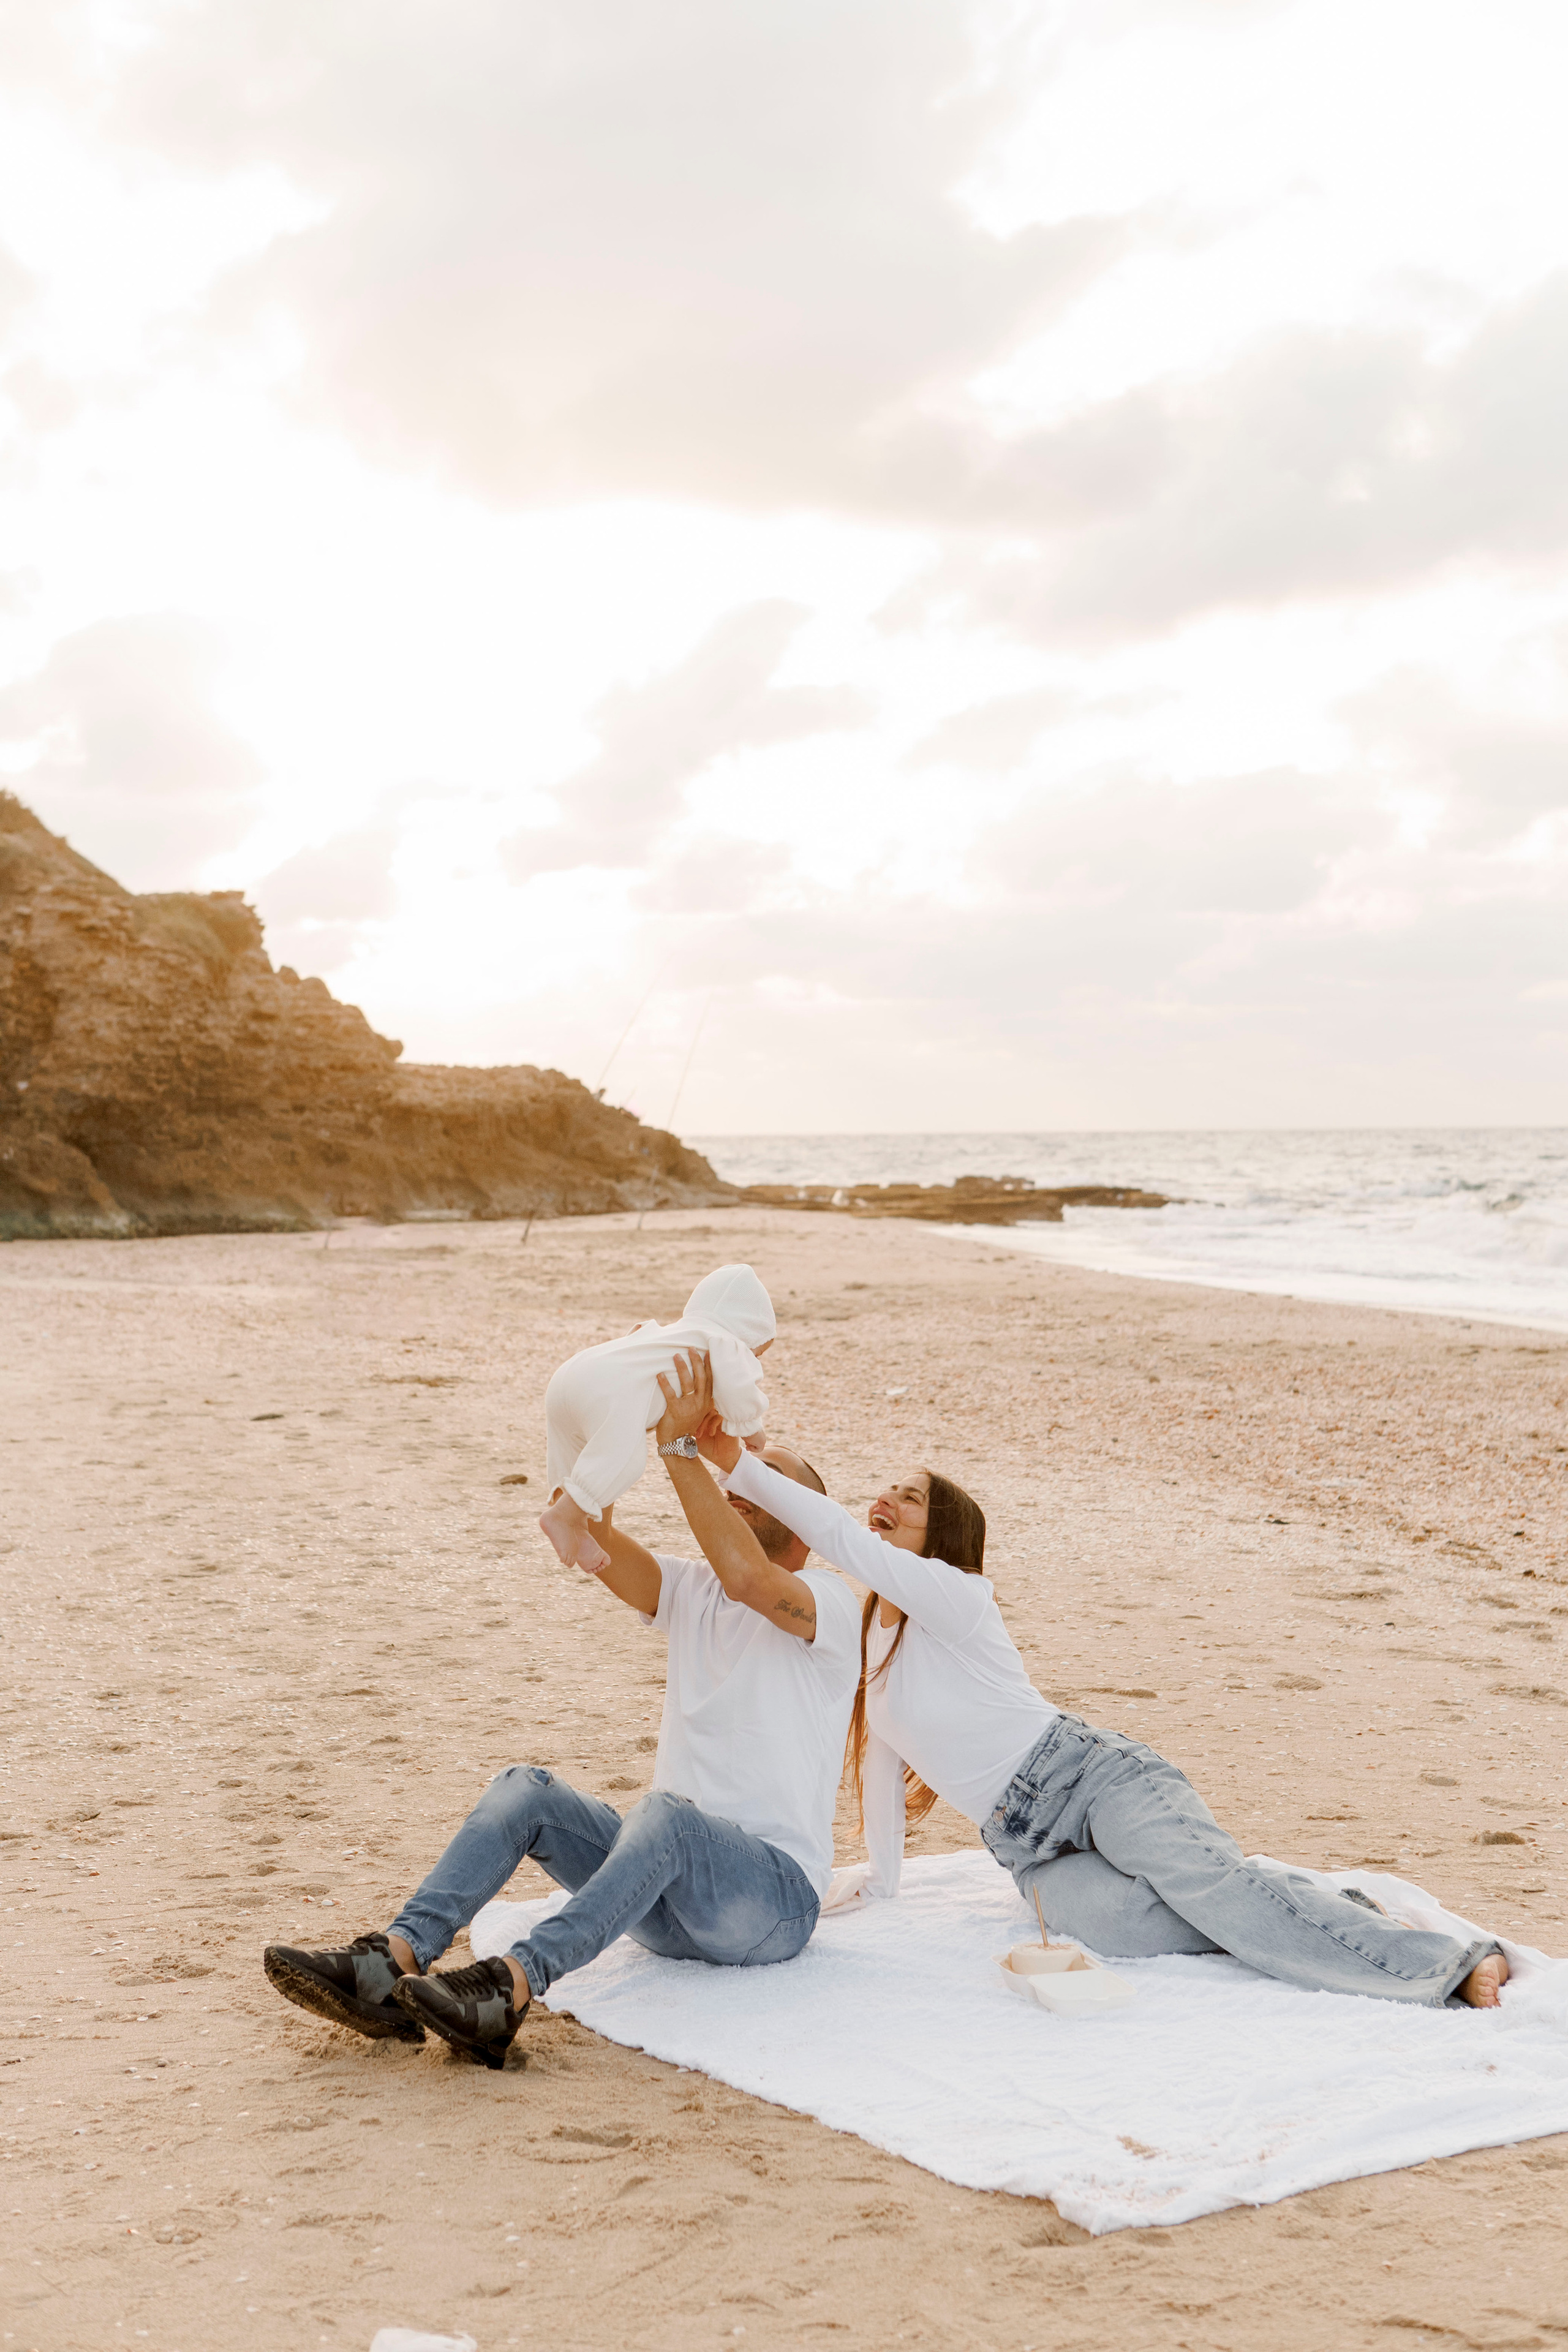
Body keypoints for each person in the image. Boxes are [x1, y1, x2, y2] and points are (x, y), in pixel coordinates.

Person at [660, 1355, 1510, 2010]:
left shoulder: (957, 1600)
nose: (887, 1496)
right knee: (1160, 1928)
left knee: (1212, 1889)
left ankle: (1448, 1965)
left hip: (1091, 1776)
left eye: (910, 1499)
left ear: (939, 1535)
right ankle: (1338, 1907)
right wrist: (853, 1888)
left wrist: (733, 1462)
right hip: (1027, 1851)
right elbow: (881, 1809)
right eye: (889, 1486)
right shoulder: (869, 1658)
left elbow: (845, 1544)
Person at [263, 1362, 861, 2069]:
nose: (747, 1478)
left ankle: (509, 1988)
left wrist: (679, 1449)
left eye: (771, 1476)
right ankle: (388, 1962)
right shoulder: (692, 1589)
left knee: (665, 1814)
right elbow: (593, 1538)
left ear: (805, 1518)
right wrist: (602, 1418)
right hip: (663, 1902)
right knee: (526, 1790)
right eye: (746, 1471)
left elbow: (750, 1578)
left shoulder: (830, 1602)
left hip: (771, 1904)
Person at [538, 1262, 775, 1573]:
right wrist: (750, 1428)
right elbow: (739, 1388)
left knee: (574, 1448)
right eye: (757, 1353)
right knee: (626, 1457)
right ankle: (562, 1516)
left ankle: (574, 1520)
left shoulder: (672, 1335)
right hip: (608, 1393)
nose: (753, 1361)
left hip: (571, 1375)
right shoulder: (727, 1343)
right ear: (748, 1332)